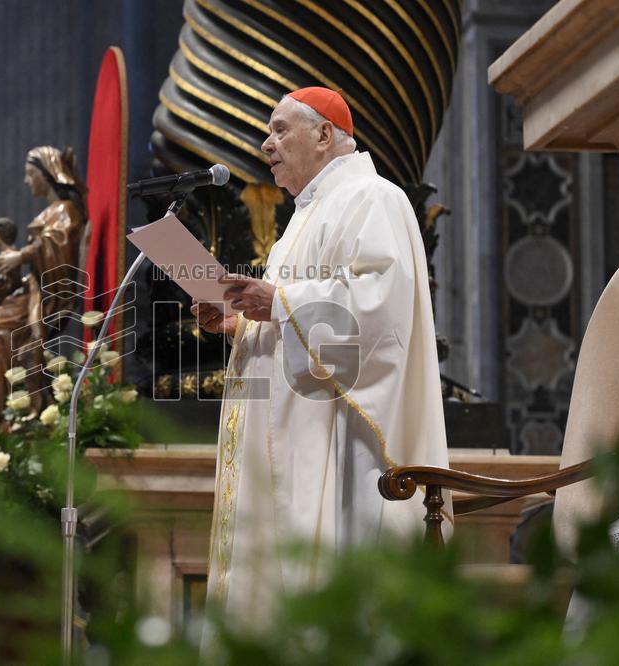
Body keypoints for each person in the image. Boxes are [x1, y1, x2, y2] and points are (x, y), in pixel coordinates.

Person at [191, 88, 450, 630]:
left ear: (325, 134)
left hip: (337, 448)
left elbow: (382, 313)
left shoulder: (373, 198)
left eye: (280, 129)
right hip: (291, 439)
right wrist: (241, 322)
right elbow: (294, 325)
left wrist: (278, 301)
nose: (266, 144)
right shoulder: (306, 218)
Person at [0, 146, 87, 419]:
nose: (26, 181)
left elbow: (58, 247)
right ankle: (5, 408)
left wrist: (21, 256)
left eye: (30, 174)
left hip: (50, 293)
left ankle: (14, 407)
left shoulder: (66, 210)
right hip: (35, 288)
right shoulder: (52, 212)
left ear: (46, 175)